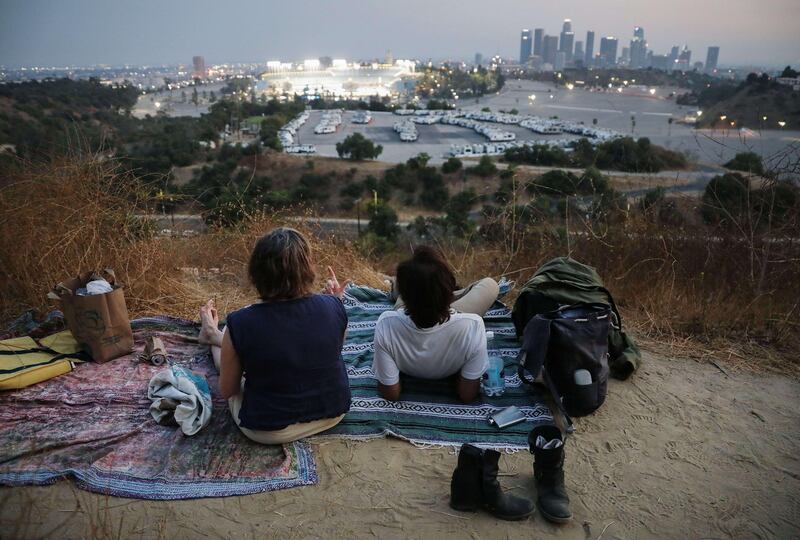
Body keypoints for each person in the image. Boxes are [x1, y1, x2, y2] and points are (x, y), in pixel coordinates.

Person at [198, 227, 351, 444]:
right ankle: (215, 336)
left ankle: (213, 335)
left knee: (233, 366)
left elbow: (228, 390)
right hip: (333, 414)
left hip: (269, 430)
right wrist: (334, 302)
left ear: (257, 272)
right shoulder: (335, 305)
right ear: (307, 268)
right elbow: (335, 349)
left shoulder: (241, 321)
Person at [372, 246, 500, 403]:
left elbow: (391, 394)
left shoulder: (386, 324)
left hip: (411, 309)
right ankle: (435, 288)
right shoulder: (472, 326)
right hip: (450, 313)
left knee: (411, 287)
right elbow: (467, 395)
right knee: (489, 284)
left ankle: (399, 284)